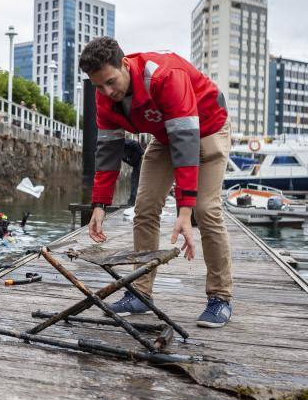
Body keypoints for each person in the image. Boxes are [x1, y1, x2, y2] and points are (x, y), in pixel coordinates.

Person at [80, 36, 233, 328]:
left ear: (124, 64)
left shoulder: (164, 77)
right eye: (99, 86)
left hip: (206, 128)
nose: (107, 92)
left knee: (205, 209)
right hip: (165, 135)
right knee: (145, 207)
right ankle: (140, 293)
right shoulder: (104, 96)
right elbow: (108, 150)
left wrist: (185, 210)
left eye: (111, 82)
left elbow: (187, 142)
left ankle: (220, 297)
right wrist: (99, 204)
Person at [123, 139, 143, 206]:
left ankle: (133, 201)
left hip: (141, 160)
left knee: (135, 181)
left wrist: (134, 160)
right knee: (135, 181)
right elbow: (127, 161)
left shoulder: (126, 143)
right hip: (137, 163)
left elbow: (138, 147)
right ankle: (134, 201)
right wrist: (132, 162)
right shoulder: (119, 153)